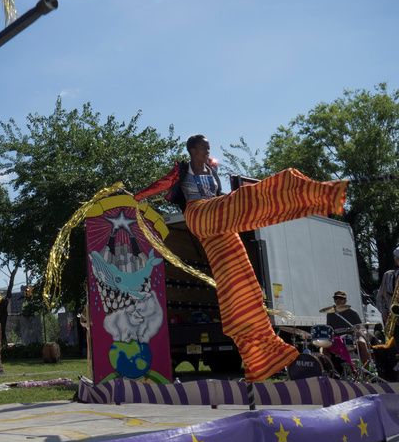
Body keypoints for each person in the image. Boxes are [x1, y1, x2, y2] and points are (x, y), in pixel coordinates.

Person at [134, 134, 348, 381]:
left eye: (208, 146)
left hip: (218, 226)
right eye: (204, 146)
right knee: (246, 199)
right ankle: (309, 192)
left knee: (242, 285)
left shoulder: (211, 170)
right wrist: (136, 197)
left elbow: (221, 196)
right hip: (199, 216)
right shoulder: (182, 170)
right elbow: (160, 186)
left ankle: (261, 358)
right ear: (192, 149)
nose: (208, 148)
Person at [325, 290, 372, 367]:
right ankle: (331, 370)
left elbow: (360, 328)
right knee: (324, 347)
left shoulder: (353, 313)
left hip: (352, 337)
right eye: (336, 298)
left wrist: (358, 335)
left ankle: (367, 368)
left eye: (340, 298)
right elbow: (329, 329)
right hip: (337, 338)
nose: (338, 300)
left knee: (362, 343)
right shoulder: (330, 314)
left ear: (345, 300)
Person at [376, 247, 399, 322]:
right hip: (391, 317)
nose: (396, 259)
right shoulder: (388, 275)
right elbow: (380, 297)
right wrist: (383, 312)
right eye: (396, 258)